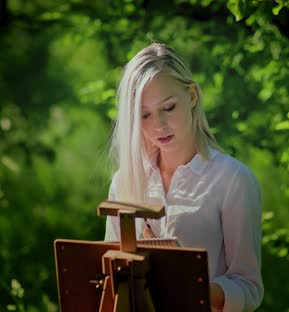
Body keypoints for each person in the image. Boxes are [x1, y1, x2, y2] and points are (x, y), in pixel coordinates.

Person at [103, 42, 263, 311]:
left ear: (191, 96)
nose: (159, 125)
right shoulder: (124, 182)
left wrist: (193, 286)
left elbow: (249, 288)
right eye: (144, 115)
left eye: (168, 107)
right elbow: (107, 275)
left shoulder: (233, 179)